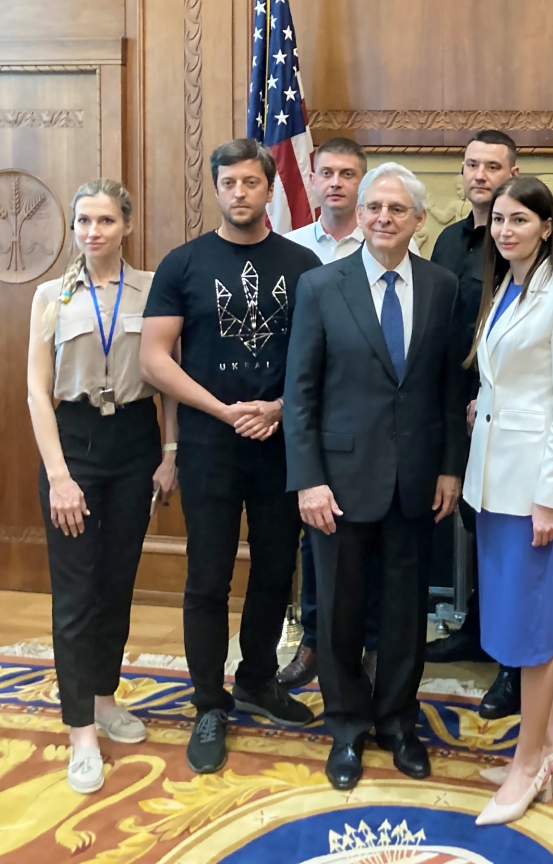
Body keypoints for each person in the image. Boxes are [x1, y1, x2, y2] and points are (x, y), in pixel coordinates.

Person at [139, 139, 321, 775]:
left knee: (276, 570)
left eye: (251, 181)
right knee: (208, 577)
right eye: (229, 182)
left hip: (280, 442)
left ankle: (258, 678)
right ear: (215, 189)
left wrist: (272, 408)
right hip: (211, 444)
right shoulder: (182, 264)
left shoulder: (304, 265)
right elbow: (154, 358)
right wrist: (223, 410)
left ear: (270, 188)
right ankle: (209, 702)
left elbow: (317, 358)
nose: (240, 192)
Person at [283, 162, 467, 791]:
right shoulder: (321, 286)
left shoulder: (442, 286)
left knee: (405, 613)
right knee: (338, 611)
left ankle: (397, 722)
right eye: (373, 208)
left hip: (415, 480)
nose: (383, 218)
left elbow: (448, 387)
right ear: (359, 216)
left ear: (419, 219)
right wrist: (307, 479)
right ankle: (346, 727)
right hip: (337, 482)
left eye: (396, 209)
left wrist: (449, 468)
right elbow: (299, 391)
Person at [27, 179, 179, 794]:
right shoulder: (51, 295)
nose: (94, 232)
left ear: (127, 226)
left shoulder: (151, 291)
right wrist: (60, 477)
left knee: (117, 583)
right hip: (76, 445)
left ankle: (105, 697)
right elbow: (38, 391)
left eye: (106, 220)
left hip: (136, 445)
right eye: (84, 221)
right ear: (74, 228)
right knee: (76, 592)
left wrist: (169, 455)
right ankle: (80, 732)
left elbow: (166, 378)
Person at [463, 177, 553, 825]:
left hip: (531, 493)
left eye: (520, 220)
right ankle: (545, 746)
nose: (506, 230)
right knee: (508, 625)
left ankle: (527, 765)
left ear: (547, 225)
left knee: (532, 631)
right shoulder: (508, 287)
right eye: (499, 220)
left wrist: (552, 496)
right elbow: (510, 380)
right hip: (492, 480)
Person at [280, 137, 388, 691]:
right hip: (312, 423)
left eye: (350, 174)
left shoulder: (383, 245)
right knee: (317, 545)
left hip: (373, 429)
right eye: (328, 173)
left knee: (371, 553)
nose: (337, 183)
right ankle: (315, 643)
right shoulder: (293, 249)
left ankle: (367, 645)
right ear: (314, 180)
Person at [426, 130, 523, 721]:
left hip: (507, 406)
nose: (480, 175)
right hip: (453, 401)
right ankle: (478, 629)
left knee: (508, 529)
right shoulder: (446, 240)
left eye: (492, 165)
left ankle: (513, 663)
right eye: (471, 165)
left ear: (513, 170)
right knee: (473, 519)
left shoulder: (520, 238)